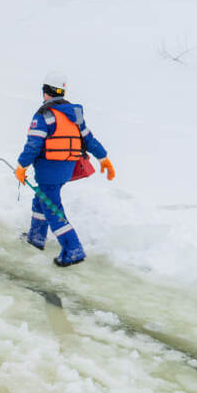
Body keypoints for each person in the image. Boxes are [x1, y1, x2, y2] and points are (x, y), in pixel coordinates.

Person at [13, 72, 115, 267]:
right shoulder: (75, 114)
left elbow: (33, 145)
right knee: (41, 199)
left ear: (45, 92)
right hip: (67, 168)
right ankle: (36, 238)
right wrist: (104, 158)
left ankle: (73, 249)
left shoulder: (44, 115)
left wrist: (21, 166)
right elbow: (89, 140)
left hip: (48, 169)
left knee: (53, 209)